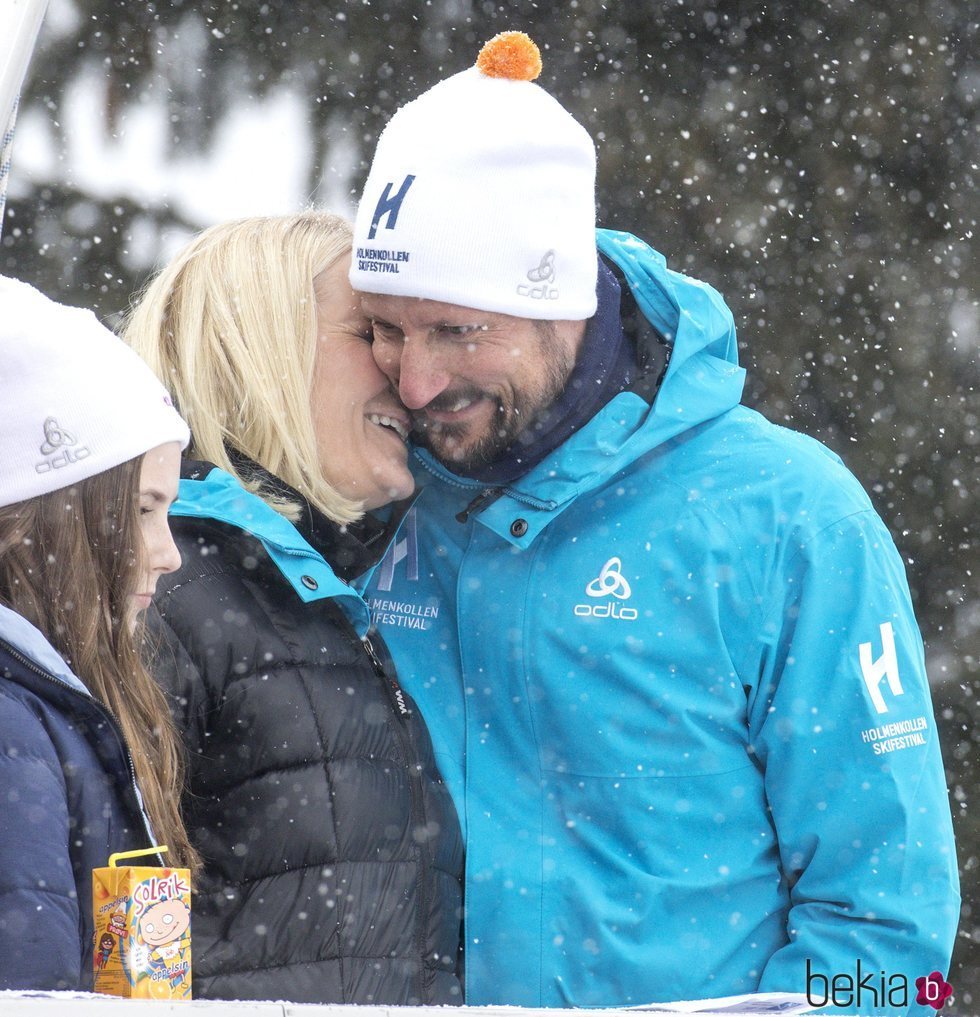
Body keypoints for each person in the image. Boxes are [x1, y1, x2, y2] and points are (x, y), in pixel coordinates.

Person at [349, 30, 960, 1014]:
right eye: (385, 329)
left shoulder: (786, 518)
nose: (417, 381)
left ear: (563, 302)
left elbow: (888, 935)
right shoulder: (365, 494)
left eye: (458, 330)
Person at [122, 210, 464, 1005]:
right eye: (370, 332)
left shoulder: (348, 597)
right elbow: (122, 887)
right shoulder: (163, 582)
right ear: (257, 348)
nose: (410, 375)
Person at [0, 275, 197, 991]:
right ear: (49, 518)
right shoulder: (13, 725)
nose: (169, 551)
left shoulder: (89, 712)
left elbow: (144, 988)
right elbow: (35, 987)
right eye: (144, 508)